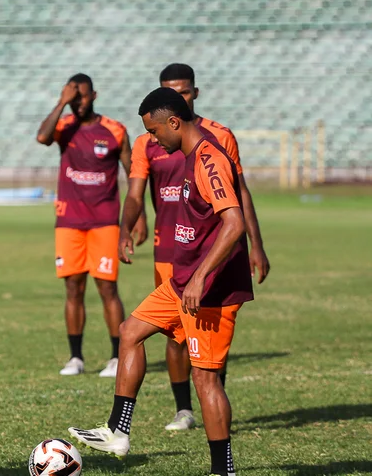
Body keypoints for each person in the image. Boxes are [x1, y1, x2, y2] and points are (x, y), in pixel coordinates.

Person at [69, 87, 252, 476]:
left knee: (205, 379)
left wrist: (202, 276)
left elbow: (234, 223)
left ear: (173, 122)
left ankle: (224, 470)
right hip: (182, 281)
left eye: (154, 131)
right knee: (130, 331)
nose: (152, 139)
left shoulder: (208, 157)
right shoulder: (185, 155)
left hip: (210, 290)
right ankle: (118, 430)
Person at [119, 63, 271, 431]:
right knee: (164, 336)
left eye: (185, 91)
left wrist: (256, 244)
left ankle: (219, 448)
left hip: (208, 262)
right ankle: (171, 412)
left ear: (192, 96)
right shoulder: (152, 145)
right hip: (172, 256)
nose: (152, 138)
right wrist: (128, 226)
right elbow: (136, 194)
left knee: (207, 367)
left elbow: (236, 204)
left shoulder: (213, 144)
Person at [35, 74, 143, 378]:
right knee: (73, 288)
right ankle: (76, 357)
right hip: (69, 221)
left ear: (94, 95)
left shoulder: (114, 130)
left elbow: (134, 173)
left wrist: (141, 216)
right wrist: (61, 102)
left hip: (104, 221)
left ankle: (115, 357)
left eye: (81, 96)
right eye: (73, 96)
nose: (77, 102)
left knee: (107, 287)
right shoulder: (64, 127)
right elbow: (42, 137)